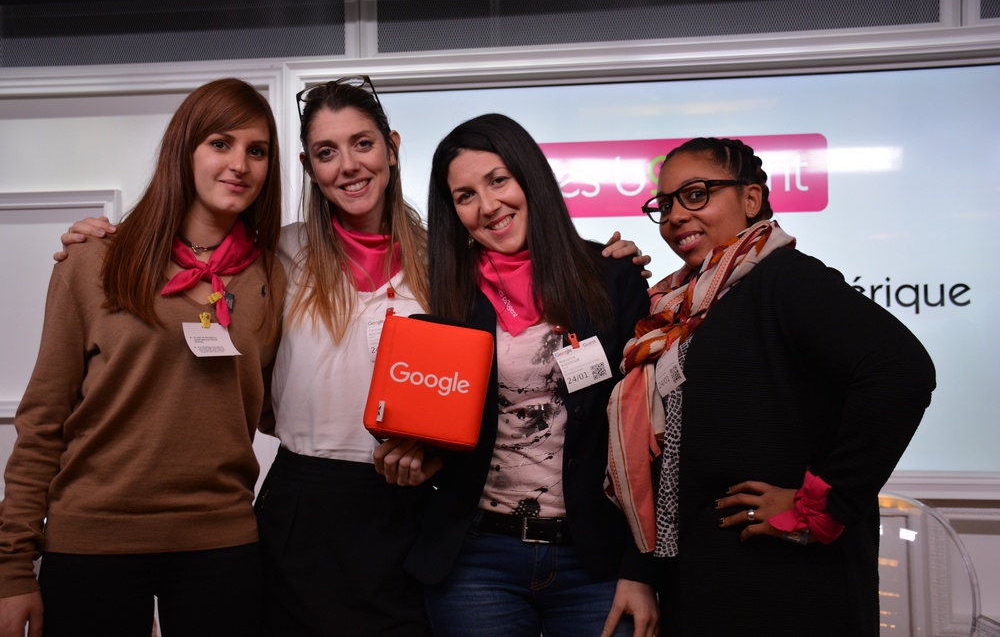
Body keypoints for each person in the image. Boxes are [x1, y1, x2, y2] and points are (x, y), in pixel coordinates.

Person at [52, 78, 650, 636]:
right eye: (326, 152)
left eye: (363, 143)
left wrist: (607, 259)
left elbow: (491, 345)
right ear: (309, 167)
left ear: (391, 147)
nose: (348, 165)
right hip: (302, 504)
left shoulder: (445, 265)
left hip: (409, 503)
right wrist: (107, 238)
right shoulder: (276, 255)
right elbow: (201, 267)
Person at [607, 137, 936, 636]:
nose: (675, 216)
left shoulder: (784, 279)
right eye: (666, 204)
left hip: (786, 580)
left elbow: (900, 370)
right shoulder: (682, 308)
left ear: (751, 199)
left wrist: (824, 502)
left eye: (696, 194)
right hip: (702, 577)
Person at [0, 77, 285, 637]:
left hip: (221, 541)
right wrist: (12, 568)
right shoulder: (94, 260)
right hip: (93, 539)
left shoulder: (273, 276)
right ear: (185, 150)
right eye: (220, 144)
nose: (240, 165)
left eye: (257, 151)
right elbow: (43, 420)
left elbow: (280, 408)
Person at [384, 113, 658, 637]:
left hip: (595, 559)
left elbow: (644, 436)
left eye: (498, 180)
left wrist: (640, 569)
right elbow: (435, 418)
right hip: (477, 559)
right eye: (465, 196)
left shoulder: (611, 277)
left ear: (530, 178)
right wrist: (410, 453)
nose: (488, 206)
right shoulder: (444, 293)